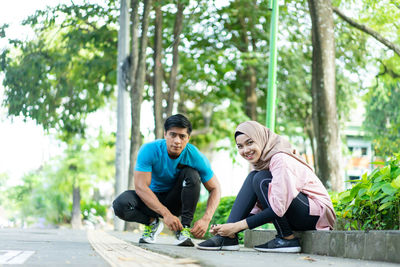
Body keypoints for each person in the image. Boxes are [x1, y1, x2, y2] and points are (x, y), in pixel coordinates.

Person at [197, 121, 335, 252]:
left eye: (250, 143)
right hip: (297, 214)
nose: (245, 150)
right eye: (240, 146)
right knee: (255, 177)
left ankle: (287, 239)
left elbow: (278, 208)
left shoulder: (280, 158)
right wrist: (228, 228)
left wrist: (236, 226)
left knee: (260, 178)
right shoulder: (263, 163)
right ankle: (226, 238)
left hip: (315, 215)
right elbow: (260, 208)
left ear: (261, 139)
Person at [113, 114, 221, 247]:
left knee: (192, 174)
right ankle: (152, 223)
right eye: (172, 135)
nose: (177, 141)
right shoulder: (149, 150)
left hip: (176, 200)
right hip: (151, 200)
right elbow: (141, 187)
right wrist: (165, 214)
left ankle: (184, 230)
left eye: (182, 136)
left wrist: (206, 219)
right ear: (165, 134)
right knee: (120, 204)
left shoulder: (195, 156)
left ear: (188, 138)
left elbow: (215, 188)